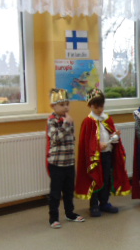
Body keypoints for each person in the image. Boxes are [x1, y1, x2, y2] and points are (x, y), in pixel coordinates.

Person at [75, 88, 131, 217]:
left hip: (107, 155)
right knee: (96, 179)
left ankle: (104, 202)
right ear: (90, 106)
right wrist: (97, 146)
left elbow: (112, 137)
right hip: (96, 158)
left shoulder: (107, 119)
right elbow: (86, 143)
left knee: (106, 179)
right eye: (96, 107)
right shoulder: (88, 121)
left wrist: (115, 136)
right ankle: (94, 205)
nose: (100, 109)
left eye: (101, 106)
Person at [46, 88, 85, 228]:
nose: (66, 107)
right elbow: (56, 138)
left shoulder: (68, 119)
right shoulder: (52, 120)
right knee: (55, 193)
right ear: (53, 106)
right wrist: (66, 123)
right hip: (57, 163)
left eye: (67, 104)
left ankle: (70, 213)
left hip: (69, 162)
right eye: (62, 105)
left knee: (69, 191)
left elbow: (71, 139)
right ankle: (53, 218)